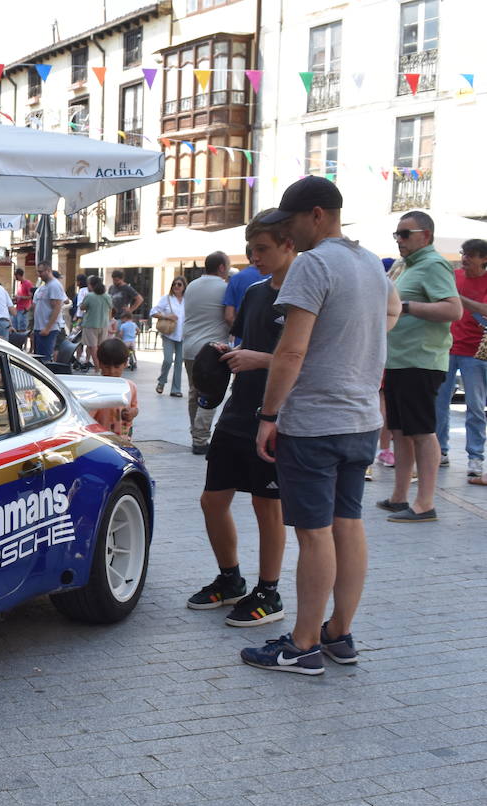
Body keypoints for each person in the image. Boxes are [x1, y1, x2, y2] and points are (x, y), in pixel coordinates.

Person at [242, 176, 401, 675]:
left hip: (314, 422)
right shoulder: (371, 264)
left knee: (315, 535)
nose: (289, 235)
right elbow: (392, 313)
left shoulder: (313, 263)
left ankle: (303, 644)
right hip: (360, 419)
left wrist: (268, 416)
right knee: (348, 525)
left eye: (290, 223)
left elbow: (292, 349)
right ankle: (339, 633)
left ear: (316, 214)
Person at [186, 210, 294, 628]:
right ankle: (230, 579)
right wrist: (226, 353)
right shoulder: (254, 292)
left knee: (267, 506)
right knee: (212, 499)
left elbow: (306, 361)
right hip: (237, 410)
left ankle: (269, 591)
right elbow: (246, 345)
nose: (255, 257)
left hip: (277, 414)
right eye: (251, 250)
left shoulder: (302, 297)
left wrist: (258, 358)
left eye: (263, 249)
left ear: (288, 244)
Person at [380, 210, 462, 522]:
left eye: (404, 234)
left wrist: (407, 307)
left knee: (421, 430)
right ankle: (400, 496)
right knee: (401, 430)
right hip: (400, 359)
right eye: (396, 234)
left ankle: (425, 502)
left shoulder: (433, 264)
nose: (398, 239)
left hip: (421, 359)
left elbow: (453, 310)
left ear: (424, 236)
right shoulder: (405, 266)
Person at [435, 239, 487, 480]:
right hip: (446, 348)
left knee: (475, 407)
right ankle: (440, 451)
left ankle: (475, 457)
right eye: (464, 253)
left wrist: (457, 298)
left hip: (476, 353)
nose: (465, 258)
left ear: (484, 259)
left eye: (472, 255)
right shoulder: (453, 275)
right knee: (439, 404)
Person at [182, 251, 232, 455]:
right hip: (212, 349)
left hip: (189, 348)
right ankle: (201, 439)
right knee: (210, 393)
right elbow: (230, 317)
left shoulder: (191, 286)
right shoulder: (225, 287)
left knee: (195, 391)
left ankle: (195, 433)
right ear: (221, 267)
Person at [91, 338, 137, 439]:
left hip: (124, 437)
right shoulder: (95, 388)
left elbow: (135, 407)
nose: (111, 371)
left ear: (125, 364)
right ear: (100, 364)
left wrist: (132, 413)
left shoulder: (130, 386)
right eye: (107, 366)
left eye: (116, 367)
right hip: (100, 439)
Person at [222, 247, 266, 340]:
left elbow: (229, 316)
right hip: (270, 341)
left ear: (247, 256)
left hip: (243, 340)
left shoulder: (236, 278)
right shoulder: (276, 277)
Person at [153, 277, 187, 396]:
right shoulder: (166, 299)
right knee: (168, 360)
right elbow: (153, 312)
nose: (176, 286)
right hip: (169, 334)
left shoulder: (187, 300)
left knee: (179, 363)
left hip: (183, 335)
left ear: (184, 287)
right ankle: (161, 381)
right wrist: (167, 317)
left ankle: (176, 389)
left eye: (179, 284)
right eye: (174, 284)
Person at [31, 262, 67, 358]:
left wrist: (47, 328)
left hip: (48, 329)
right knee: (39, 356)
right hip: (40, 328)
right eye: (38, 272)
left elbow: (56, 308)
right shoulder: (43, 287)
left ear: (48, 271)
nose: (39, 274)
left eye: (41, 272)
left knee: (45, 357)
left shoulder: (54, 285)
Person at [78, 275, 112, 371]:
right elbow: (111, 308)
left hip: (90, 324)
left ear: (91, 285)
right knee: (101, 347)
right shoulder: (107, 296)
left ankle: (97, 367)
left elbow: (82, 307)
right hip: (104, 324)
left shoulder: (89, 296)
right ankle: (102, 365)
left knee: (93, 347)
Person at [12, 267, 33, 332]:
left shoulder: (27, 283)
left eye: (15, 275)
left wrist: (20, 297)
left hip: (24, 309)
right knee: (16, 326)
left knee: (22, 327)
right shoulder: (19, 284)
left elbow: (31, 296)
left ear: (18, 275)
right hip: (18, 307)